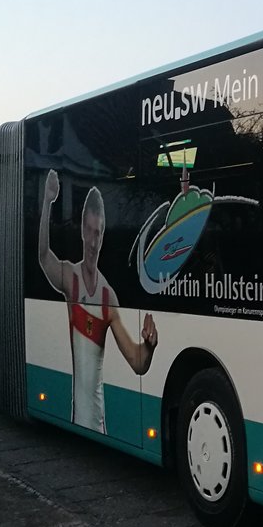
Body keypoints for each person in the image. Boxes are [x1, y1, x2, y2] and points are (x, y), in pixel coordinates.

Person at [38, 169, 158, 433]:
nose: (93, 241)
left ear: (104, 234)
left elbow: (137, 362)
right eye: (90, 231)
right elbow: (44, 256)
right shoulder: (70, 277)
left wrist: (149, 346)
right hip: (75, 417)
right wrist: (48, 201)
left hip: (99, 425)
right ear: (82, 230)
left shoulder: (107, 296)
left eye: (99, 233)